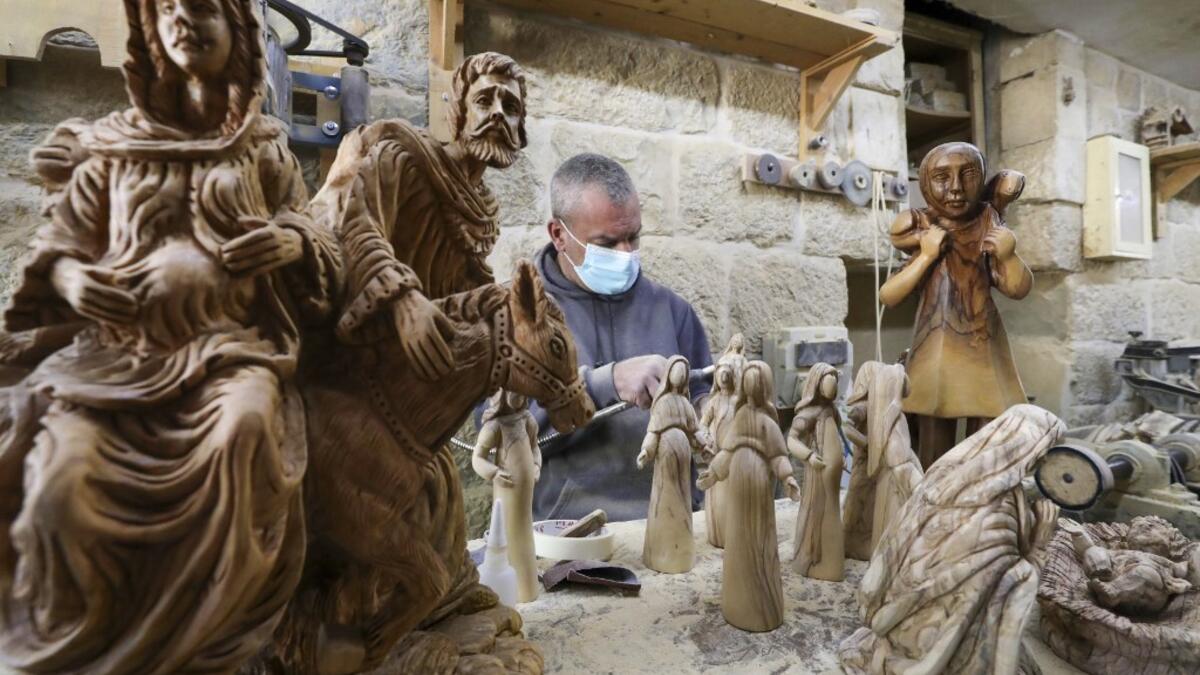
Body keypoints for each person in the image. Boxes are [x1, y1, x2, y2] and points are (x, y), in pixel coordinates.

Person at [0, 0, 341, 670]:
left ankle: (208, 640)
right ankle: (84, 645)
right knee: (60, 481)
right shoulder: (112, 149)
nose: (186, 18)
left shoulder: (262, 147)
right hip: (118, 359)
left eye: (206, 7)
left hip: (229, 355)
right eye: (169, 10)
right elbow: (56, 248)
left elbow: (319, 237)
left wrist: (289, 240)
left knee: (244, 431)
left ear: (239, 33)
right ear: (150, 33)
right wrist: (70, 280)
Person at [523, 153, 713, 522]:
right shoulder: (520, 316)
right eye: (607, 243)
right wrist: (603, 383)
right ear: (559, 235)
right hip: (572, 535)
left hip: (673, 520)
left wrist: (714, 410)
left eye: (633, 237)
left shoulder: (672, 310)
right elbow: (502, 434)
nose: (626, 254)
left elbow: (703, 391)